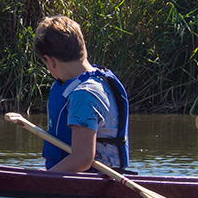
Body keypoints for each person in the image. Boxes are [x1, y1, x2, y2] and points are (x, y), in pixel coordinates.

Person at [33, 15, 130, 173]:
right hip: (79, 181)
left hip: (90, 184)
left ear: (50, 61)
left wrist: (45, 179)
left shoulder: (83, 95)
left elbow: (83, 159)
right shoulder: (96, 81)